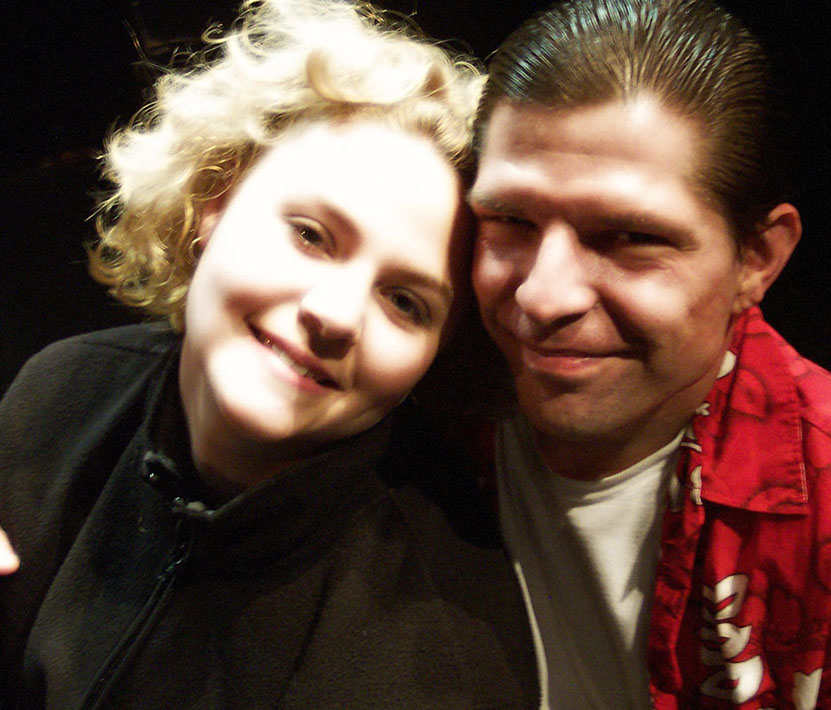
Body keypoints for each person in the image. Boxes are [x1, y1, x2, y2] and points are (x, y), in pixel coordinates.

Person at [0, 1, 540, 707]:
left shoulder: (443, 658)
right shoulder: (61, 392)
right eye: (311, 235)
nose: (335, 314)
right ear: (215, 202)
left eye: (406, 303)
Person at [468, 0, 831, 707]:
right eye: (509, 219)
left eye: (630, 237)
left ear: (756, 259)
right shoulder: (416, 405)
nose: (543, 296)